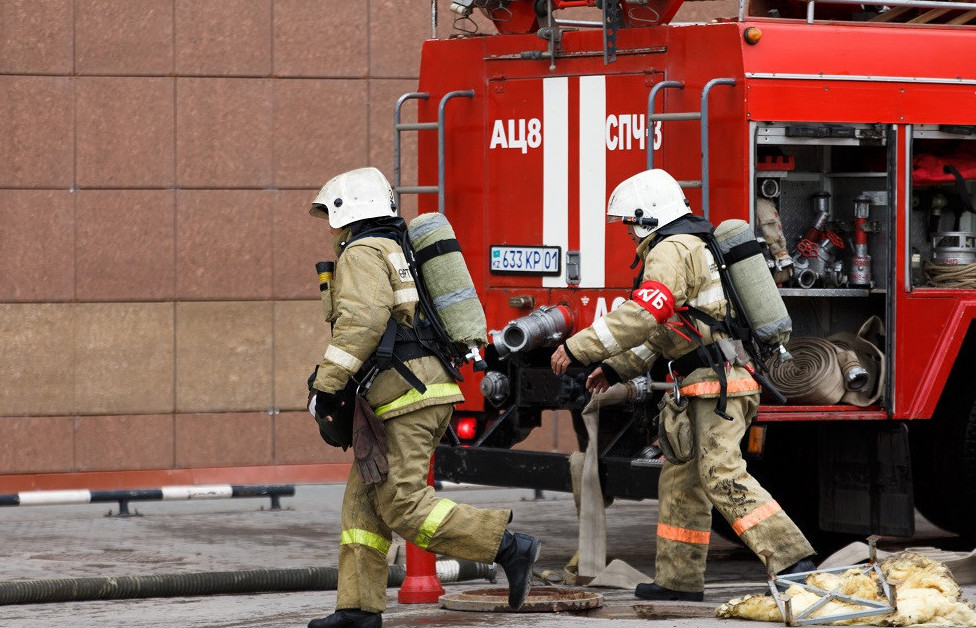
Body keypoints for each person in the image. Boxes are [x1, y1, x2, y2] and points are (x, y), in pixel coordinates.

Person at [551, 169, 816, 602]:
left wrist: (580, 348)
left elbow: (643, 315)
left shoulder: (670, 249)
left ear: (647, 216)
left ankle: (793, 560)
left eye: (628, 224)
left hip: (717, 385)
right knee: (681, 484)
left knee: (720, 474)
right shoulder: (690, 244)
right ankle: (678, 582)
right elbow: (670, 329)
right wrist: (616, 369)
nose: (628, 233)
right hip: (704, 383)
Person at [305, 167, 540, 628]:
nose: (329, 227)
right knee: (363, 507)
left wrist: (326, 384)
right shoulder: (397, 249)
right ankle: (357, 610)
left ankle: (509, 547)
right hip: (417, 389)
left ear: (346, 210)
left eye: (329, 216)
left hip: (405, 397)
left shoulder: (363, 252)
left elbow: (363, 323)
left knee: (404, 504)